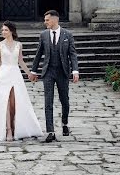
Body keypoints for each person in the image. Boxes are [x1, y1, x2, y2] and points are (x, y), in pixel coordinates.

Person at [0, 20, 43, 141]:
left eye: (6, 30)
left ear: (12, 31)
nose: (3, 32)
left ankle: (15, 127)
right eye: (2, 30)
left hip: (15, 74)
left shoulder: (19, 45)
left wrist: (29, 74)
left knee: (14, 102)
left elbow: (21, 61)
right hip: (3, 74)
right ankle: (8, 129)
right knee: (6, 101)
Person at [30, 9, 79, 142]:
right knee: (48, 101)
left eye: (47, 20)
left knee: (65, 100)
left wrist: (75, 71)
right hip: (48, 72)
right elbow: (39, 54)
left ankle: (64, 124)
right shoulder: (44, 35)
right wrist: (33, 71)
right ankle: (50, 131)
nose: (45, 22)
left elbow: (72, 54)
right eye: (45, 20)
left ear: (55, 19)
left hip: (63, 72)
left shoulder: (67, 35)